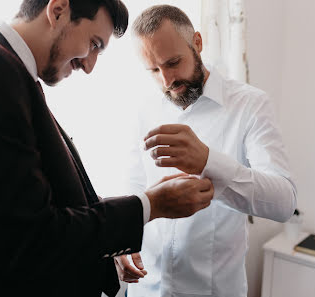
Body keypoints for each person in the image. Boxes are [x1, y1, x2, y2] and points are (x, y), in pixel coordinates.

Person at [0, 1, 214, 297]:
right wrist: (151, 205)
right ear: (59, 10)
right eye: (94, 44)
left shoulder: (12, 73)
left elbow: (44, 197)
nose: (89, 66)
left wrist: (116, 236)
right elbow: (28, 239)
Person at [114, 5, 297, 297]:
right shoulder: (144, 108)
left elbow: (284, 202)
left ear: (197, 42)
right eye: (153, 70)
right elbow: (134, 184)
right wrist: (121, 241)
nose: (167, 81)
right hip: (146, 290)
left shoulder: (251, 106)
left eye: (173, 62)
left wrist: (208, 162)